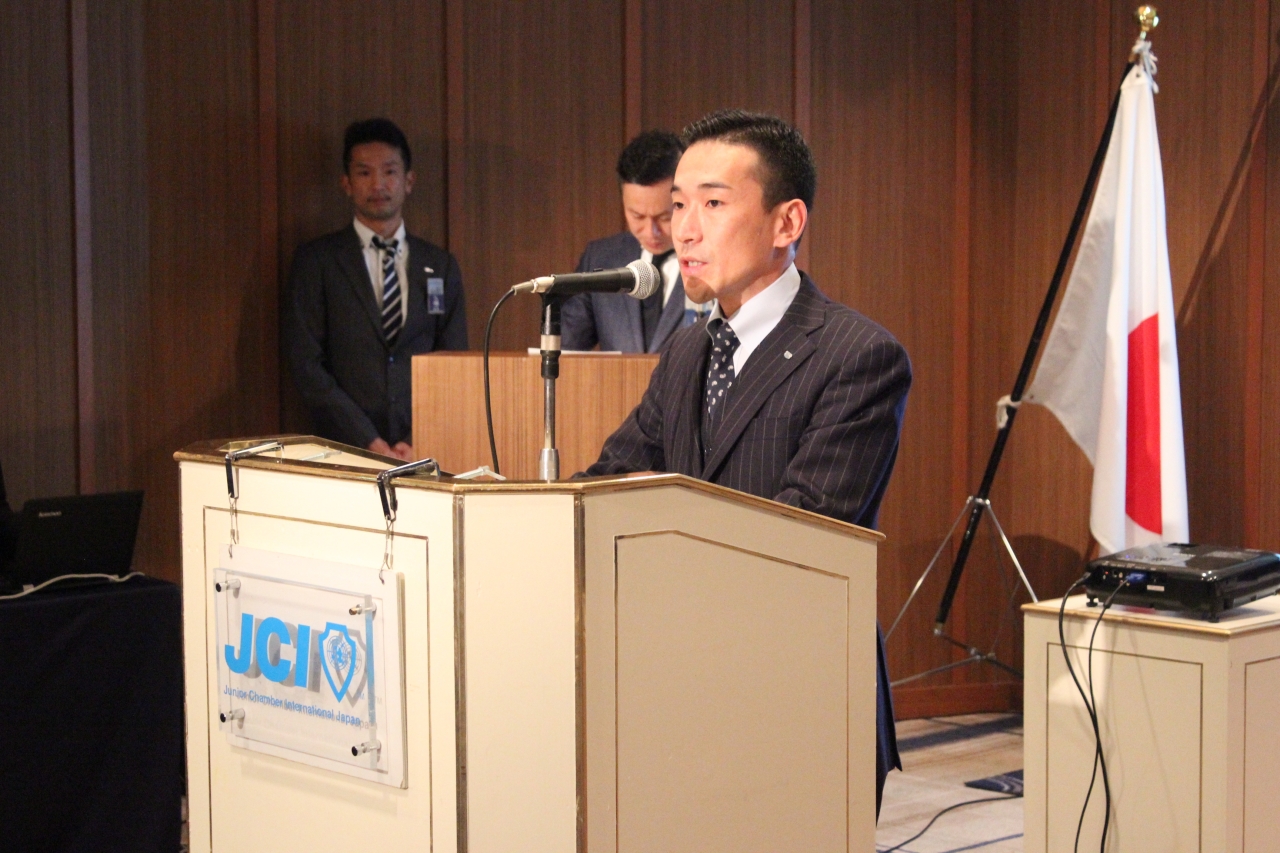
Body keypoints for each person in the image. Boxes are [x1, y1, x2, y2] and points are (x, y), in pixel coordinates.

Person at [583, 109, 911, 815]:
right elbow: (607, 481)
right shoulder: (686, 350)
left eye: (712, 204)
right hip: (679, 692)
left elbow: (793, 535)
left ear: (786, 222)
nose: (683, 230)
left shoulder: (857, 356)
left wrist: (655, 516)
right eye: (678, 205)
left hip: (799, 702)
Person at [283, 118, 467, 460]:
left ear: (409, 181)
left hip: (423, 450)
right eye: (364, 173)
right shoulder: (317, 261)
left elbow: (454, 363)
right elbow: (306, 363)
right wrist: (367, 440)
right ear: (346, 183)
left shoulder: (440, 265)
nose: (378, 184)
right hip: (341, 449)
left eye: (390, 171)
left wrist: (416, 438)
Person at [561, 130, 710, 353]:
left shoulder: (714, 258)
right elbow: (566, 349)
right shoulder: (601, 258)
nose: (651, 232)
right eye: (637, 216)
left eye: (665, 217)